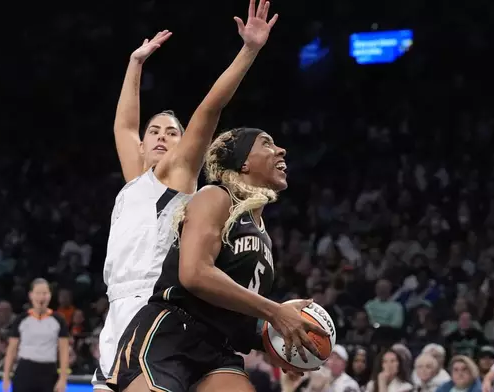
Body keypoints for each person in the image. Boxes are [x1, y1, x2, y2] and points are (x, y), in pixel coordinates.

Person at [94, 0, 281, 389]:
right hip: (118, 308)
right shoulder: (136, 184)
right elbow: (124, 125)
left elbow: (209, 110)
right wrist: (135, 63)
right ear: (142, 146)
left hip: (157, 304)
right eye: (155, 132)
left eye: (173, 133)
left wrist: (249, 51)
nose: (163, 137)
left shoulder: (177, 176)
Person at [107, 123, 328, 392]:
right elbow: (194, 274)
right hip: (172, 332)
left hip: (218, 348)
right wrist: (275, 312)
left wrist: (280, 341)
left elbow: (236, 315)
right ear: (244, 163)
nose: (281, 150)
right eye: (266, 143)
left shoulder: (263, 237)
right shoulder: (215, 196)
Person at [2, 279, 70, 392]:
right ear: (31, 295)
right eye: (38, 293)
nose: (41, 297)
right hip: (25, 371)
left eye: (45, 293)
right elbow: (11, 350)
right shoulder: (21, 320)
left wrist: (63, 379)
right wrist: (6, 376)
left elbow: (64, 351)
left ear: (50, 296)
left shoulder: (58, 320)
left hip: (49, 372)